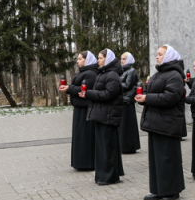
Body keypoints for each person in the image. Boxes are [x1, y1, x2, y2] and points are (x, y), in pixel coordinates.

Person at [135, 45, 186, 200]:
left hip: (168, 122)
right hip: (156, 122)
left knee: (168, 158)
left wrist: (147, 98)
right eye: (156, 54)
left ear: (169, 56)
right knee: (157, 159)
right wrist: (143, 98)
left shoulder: (174, 75)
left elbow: (171, 97)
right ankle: (158, 189)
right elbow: (154, 94)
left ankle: (172, 191)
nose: (156, 57)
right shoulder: (159, 73)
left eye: (160, 54)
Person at [82, 49, 125, 185]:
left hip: (108, 115)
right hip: (102, 114)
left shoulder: (112, 75)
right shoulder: (104, 73)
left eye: (100, 58)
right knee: (102, 147)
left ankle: (110, 176)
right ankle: (103, 175)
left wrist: (89, 94)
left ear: (108, 59)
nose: (98, 60)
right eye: (98, 58)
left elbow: (108, 94)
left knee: (108, 147)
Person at [59, 51, 98, 171]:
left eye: (80, 59)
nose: (78, 61)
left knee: (85, 136)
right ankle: (80, 161)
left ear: (87, 60)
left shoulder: (91, 74)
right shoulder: (83, 72)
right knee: (80, 136)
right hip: (80, 108)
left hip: (86, 108)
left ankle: (87, 162)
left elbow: (85, 90)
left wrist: (69, 88)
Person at [118, 52, 141, 154]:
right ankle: (123, 145)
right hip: (123, 100)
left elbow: (128, 85)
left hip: (127, 100)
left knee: (128, 125)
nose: (121, 61)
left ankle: (129, 146)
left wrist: (116, 82)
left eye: (124, 59)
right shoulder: (122, 71)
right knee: (123, 126)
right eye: (121, 59)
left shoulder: (131, 71)